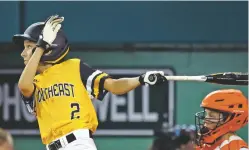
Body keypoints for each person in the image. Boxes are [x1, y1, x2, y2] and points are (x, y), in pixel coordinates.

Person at [12, 15, 168, 150]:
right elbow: (23, 86)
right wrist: (40, 47)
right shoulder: (35, 81)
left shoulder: (74, 67)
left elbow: (113, 85)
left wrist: (141, 79)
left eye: (28, 47)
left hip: (78, 144)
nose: (23, 53)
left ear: (48, 49)